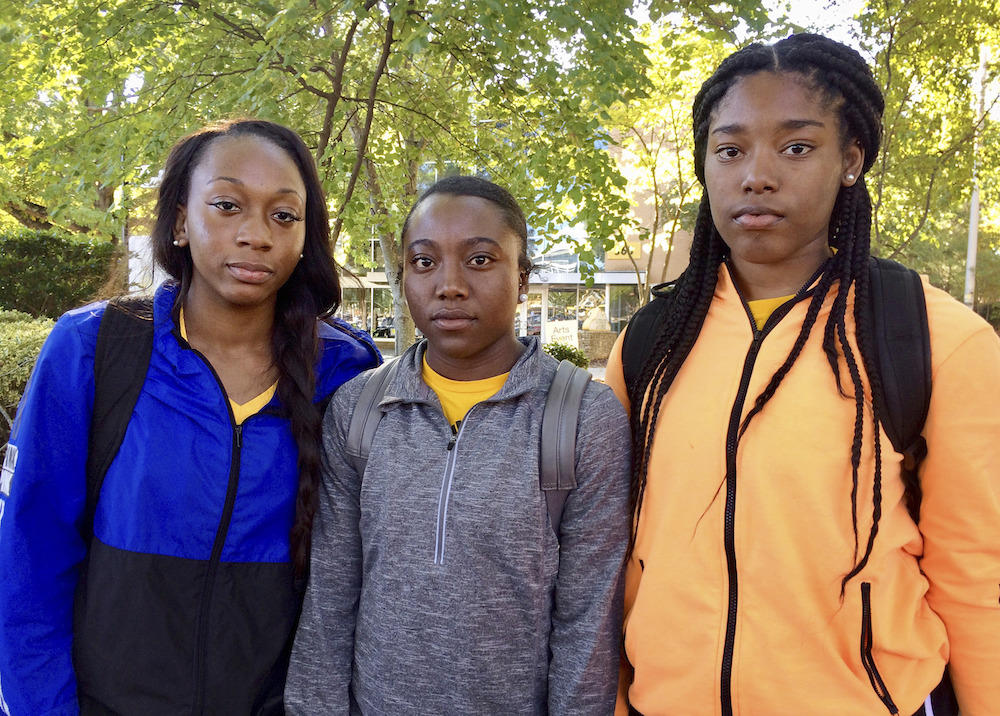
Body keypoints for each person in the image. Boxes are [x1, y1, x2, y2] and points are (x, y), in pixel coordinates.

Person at [606, 33, 1000, 716]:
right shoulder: (650, 342)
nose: (756, 174)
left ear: (850, 160)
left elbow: (974, 576)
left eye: (795, 147)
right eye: (729, 150)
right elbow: (612, 555)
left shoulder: (935, 339)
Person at [0, 119, 379, 714]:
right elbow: (29, 557)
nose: (256, 234)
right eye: (227, 205)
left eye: (284, 215)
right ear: (180, 221)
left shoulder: (346, 370)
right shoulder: (95, 347)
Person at [284, 175, 631, 714]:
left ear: (523, 277)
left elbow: (588, 620)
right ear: (403, 278)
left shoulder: (582, 416)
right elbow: (330, 595)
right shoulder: (358, 409)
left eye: (480, 260)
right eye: (424, 262)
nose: (449, 285)